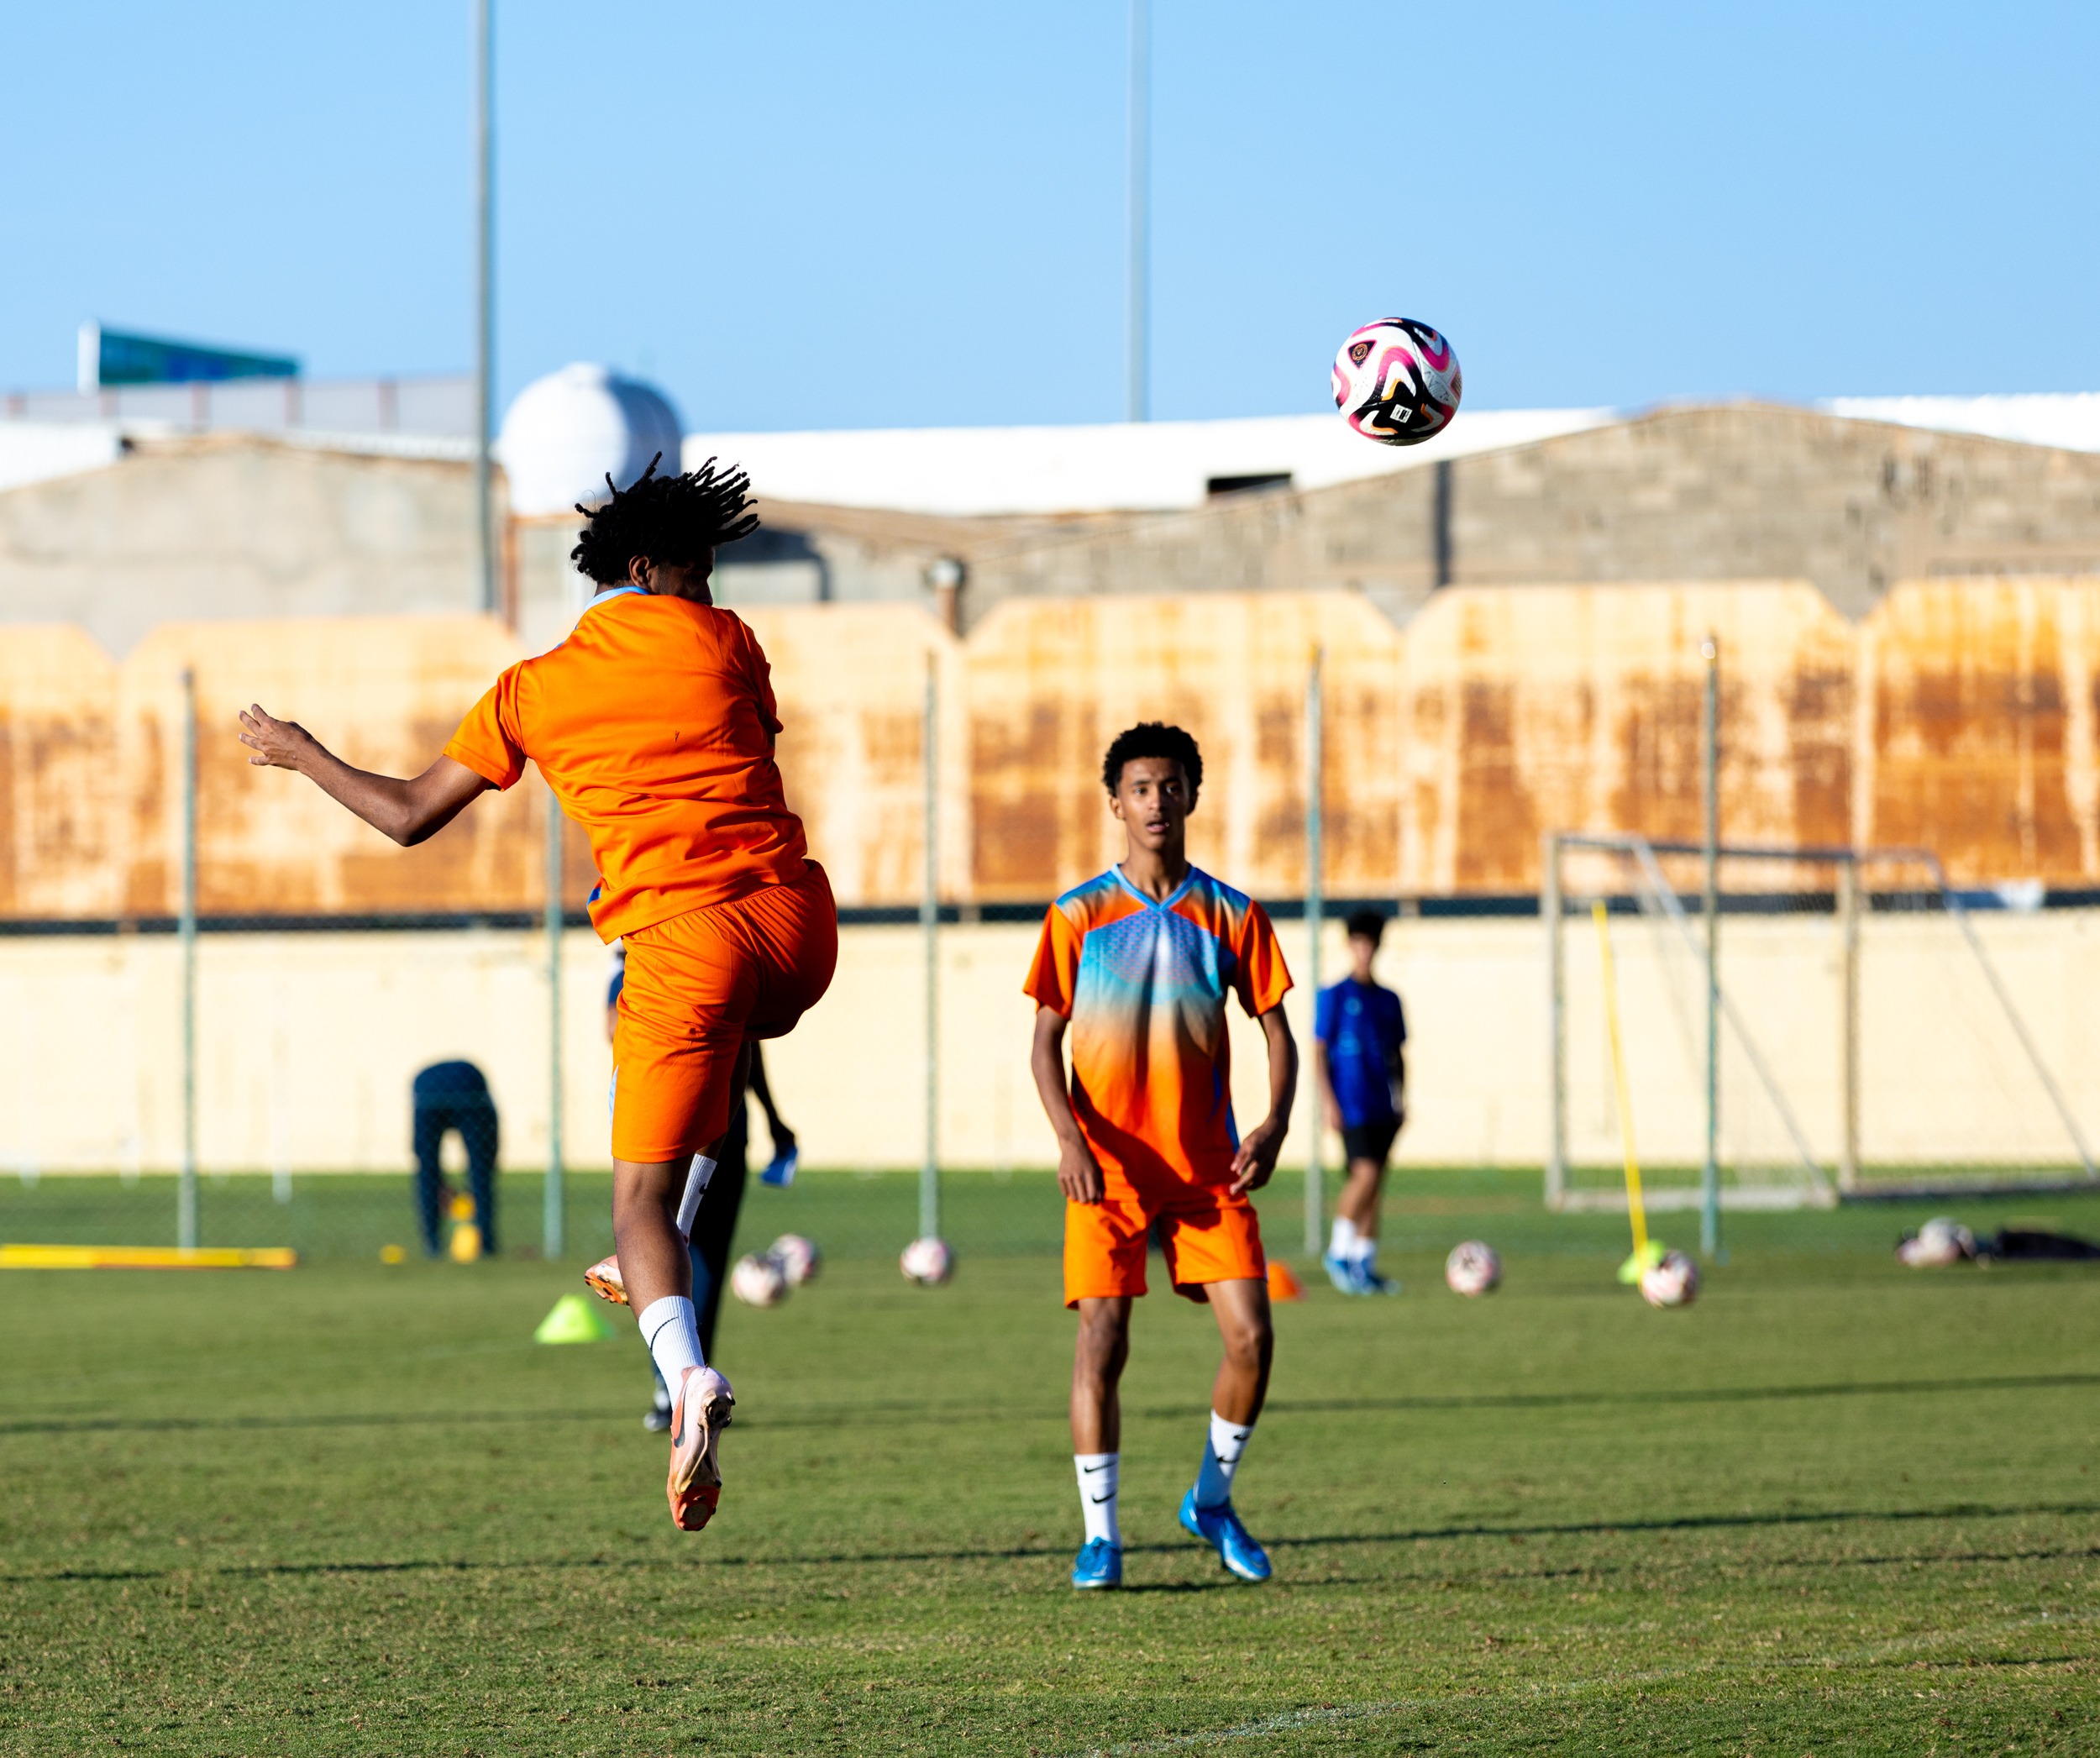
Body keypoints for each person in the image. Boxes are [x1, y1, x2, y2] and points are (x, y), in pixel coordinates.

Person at [236, 456, 836, 1534]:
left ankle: (686, 1375)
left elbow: (409, 815)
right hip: (797, 932)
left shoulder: (532, 687)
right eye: (697, 567)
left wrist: (302, 751)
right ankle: (661, 1245)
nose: (705, 585)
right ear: (648, 566)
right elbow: (749, 748)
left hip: (683, 943)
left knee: (636, 1201)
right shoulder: (732, 640)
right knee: (712, 1077)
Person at [1026, 722, 1297, 1592]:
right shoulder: (1077, 914)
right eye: (1140, 788)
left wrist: (1275, 1123)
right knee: (1100, 1341)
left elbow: (1278, 1030)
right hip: (1106, 1170)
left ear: (1192, 796)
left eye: (1170, 786)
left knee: (1252, 1337)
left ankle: (1211, 1500)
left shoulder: (1230, 913)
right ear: (1116, 803)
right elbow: (1043, 1043)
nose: (1156, 801)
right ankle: (1100, 1537)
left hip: (1208, 1169)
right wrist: (1069, 1139)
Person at [606, 942, 798, 1432]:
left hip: (666, 1117)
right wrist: (773, 1117)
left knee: (661, 1242)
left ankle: (672, 1386)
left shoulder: (640, 964)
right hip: (723, 1119)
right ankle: (690, 1384)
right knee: (699, 1256)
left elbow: (617, 1037)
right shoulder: (726, 949)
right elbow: (749, 1045)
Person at [1315, 910, 1408, 1295]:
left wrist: (1401, 1098)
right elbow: (1319, 1051)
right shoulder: (1334, 995)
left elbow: (1397, 1055)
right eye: (1358, 943)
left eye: (1370, 943)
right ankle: (1339, 1252)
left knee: (1375, 1184)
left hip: (1382, 1103)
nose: (1364, 950)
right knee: (1364, 1175)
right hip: (1351, 1103)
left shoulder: (1388, 1000)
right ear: (1350, 946)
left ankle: (1363, 1265)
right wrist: (1329, 1102)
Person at [410, 1058, 498, 1258]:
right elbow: (488, 1152)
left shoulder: (425, 1080)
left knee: (427, 1170)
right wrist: (471, 1188)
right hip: (467, 1085)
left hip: (431, 1089)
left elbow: (421, 1155)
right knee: (480, 1169)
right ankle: (486, 1244)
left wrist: (439, 1185)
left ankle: (432, 1245)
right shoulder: (474, 1082)